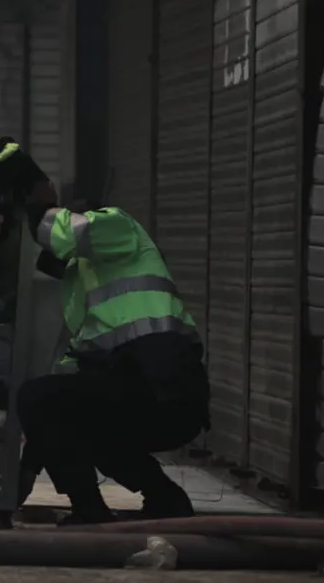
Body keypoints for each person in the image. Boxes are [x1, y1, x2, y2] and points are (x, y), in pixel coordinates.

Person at [17, 193, 211, 525]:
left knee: (41, 398)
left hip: (166, 390)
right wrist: (30, 463)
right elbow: (58, 407)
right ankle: (165, 499)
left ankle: (89, 510)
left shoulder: (117, 225)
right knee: (61, 408)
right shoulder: (84, 290)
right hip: (140, 393)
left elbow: (72, 231)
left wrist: (34, 204)